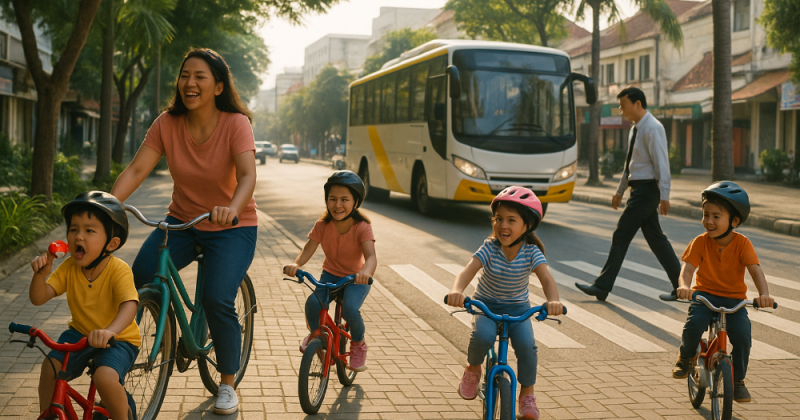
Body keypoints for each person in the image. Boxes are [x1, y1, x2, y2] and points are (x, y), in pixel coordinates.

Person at [111, 48, 257, 415]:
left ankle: (227, 383)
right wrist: (105, 205)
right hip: (182, 222)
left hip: (231, 227)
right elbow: (136, 171)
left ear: (219, 85)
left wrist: (233, 209)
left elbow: (247, 175)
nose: (189, 83)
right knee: (138, 278)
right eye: (184, 75)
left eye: (200, 76)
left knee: (217, 298)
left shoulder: (236, 123)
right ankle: (130, 356)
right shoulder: (167, 123)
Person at [446, 186, 564, 420]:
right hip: (486, 306)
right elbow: (467, 271)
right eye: (498, 219)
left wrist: (553, 301)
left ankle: (527, 395)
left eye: (511, 220)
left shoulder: (531, 253)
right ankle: (473, 368)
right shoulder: (489, 248)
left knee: (528, 348)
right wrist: (456, 290)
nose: (503, 225)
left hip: (518, 310)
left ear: (527, 225)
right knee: (482, 337)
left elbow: (547, 279)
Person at [29, 191, 139, 420]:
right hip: (79, 332)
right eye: (73, 229)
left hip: (118, 339)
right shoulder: (69, 267)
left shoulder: (119, 270)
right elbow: (38, 298)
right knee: (49, 367)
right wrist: (41, 275)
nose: (79, 236)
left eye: (89, 231)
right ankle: (49, 415)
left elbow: (129, 306)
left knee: (105, 377)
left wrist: (110, 331)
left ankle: (123, 415)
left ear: (112, 243)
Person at [576, 86, 681, 302]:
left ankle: (602, 286)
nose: (621, 110)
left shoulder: (653, 128)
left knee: (621, 233)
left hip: (647, 190)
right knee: (657, 240)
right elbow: (630, 163)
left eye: (623, 106)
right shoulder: (635, 129)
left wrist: (664, 195)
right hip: (637, 189)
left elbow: (662, 163)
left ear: (637, 104)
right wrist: (620, 191)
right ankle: (683, 287)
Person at [671, 181, 773, 402]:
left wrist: (764, 294)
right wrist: (685, 287)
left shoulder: (743, 244)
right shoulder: (700, 242)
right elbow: (687, 269)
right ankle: (686, 357)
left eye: (716, 216)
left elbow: (756, 272)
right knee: (694, 324)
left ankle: (737, 381)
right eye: (706, 214)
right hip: (704, 296)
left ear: (734, 221)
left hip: (734, 300)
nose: (708, 221)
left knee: (744, 337)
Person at [283, 170, 377, 372]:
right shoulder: (323, 225)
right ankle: (317, 334)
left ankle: (359, 344)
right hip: (330, 275)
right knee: (312, 303)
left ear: (356, 202)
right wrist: (297, 264)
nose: (338, 204)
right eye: (332, 199)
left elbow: (371, 257)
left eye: (344, 199)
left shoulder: (362, 226)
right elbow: (309, 248)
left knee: (351, 309)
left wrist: (366, 273)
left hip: (355, 279)